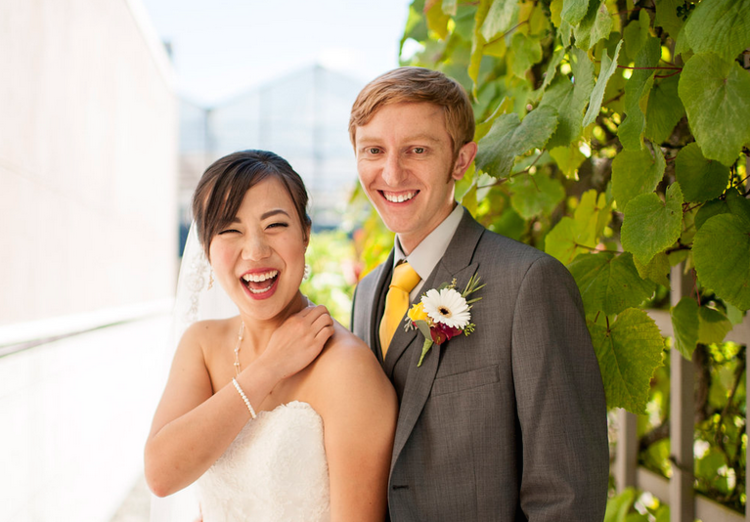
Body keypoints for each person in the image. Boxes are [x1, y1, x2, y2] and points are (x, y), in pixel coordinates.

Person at [349, 67, 609, 521]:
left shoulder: (530, 283)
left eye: (417, 150)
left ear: (461, 161)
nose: (391, 172)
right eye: (374, 150)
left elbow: (567, 495)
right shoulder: (368, 292)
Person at [145, 150, 397, 521]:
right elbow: (162, 475)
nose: (256, 250)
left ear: (306, 233)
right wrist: (269, 367)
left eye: (275, 225)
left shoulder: (346, 366)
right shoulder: (201, 344)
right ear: (207, 250)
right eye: (230, 230)